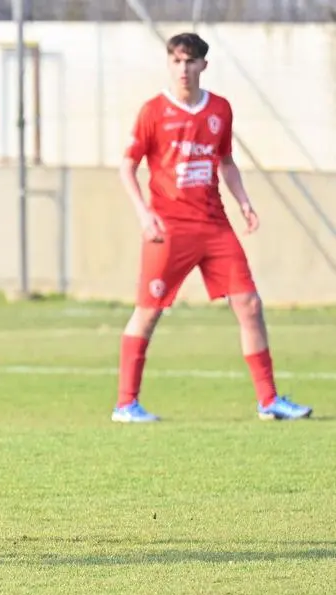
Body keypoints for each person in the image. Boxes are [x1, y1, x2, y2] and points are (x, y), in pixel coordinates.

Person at [113, 33, 312, 423]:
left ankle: (268, 401)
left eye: (190, 61)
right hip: (168, 229)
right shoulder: (153, 110)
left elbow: (226, 162)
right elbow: (127, 167)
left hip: (215, 226)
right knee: (148, 312)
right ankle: (125, 404)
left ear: (204, 64)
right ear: (168, 64)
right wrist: (144, 214)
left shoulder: (220, 108)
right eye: (175, 61)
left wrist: (244, 202)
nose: (183, 69)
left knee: (249, 305)